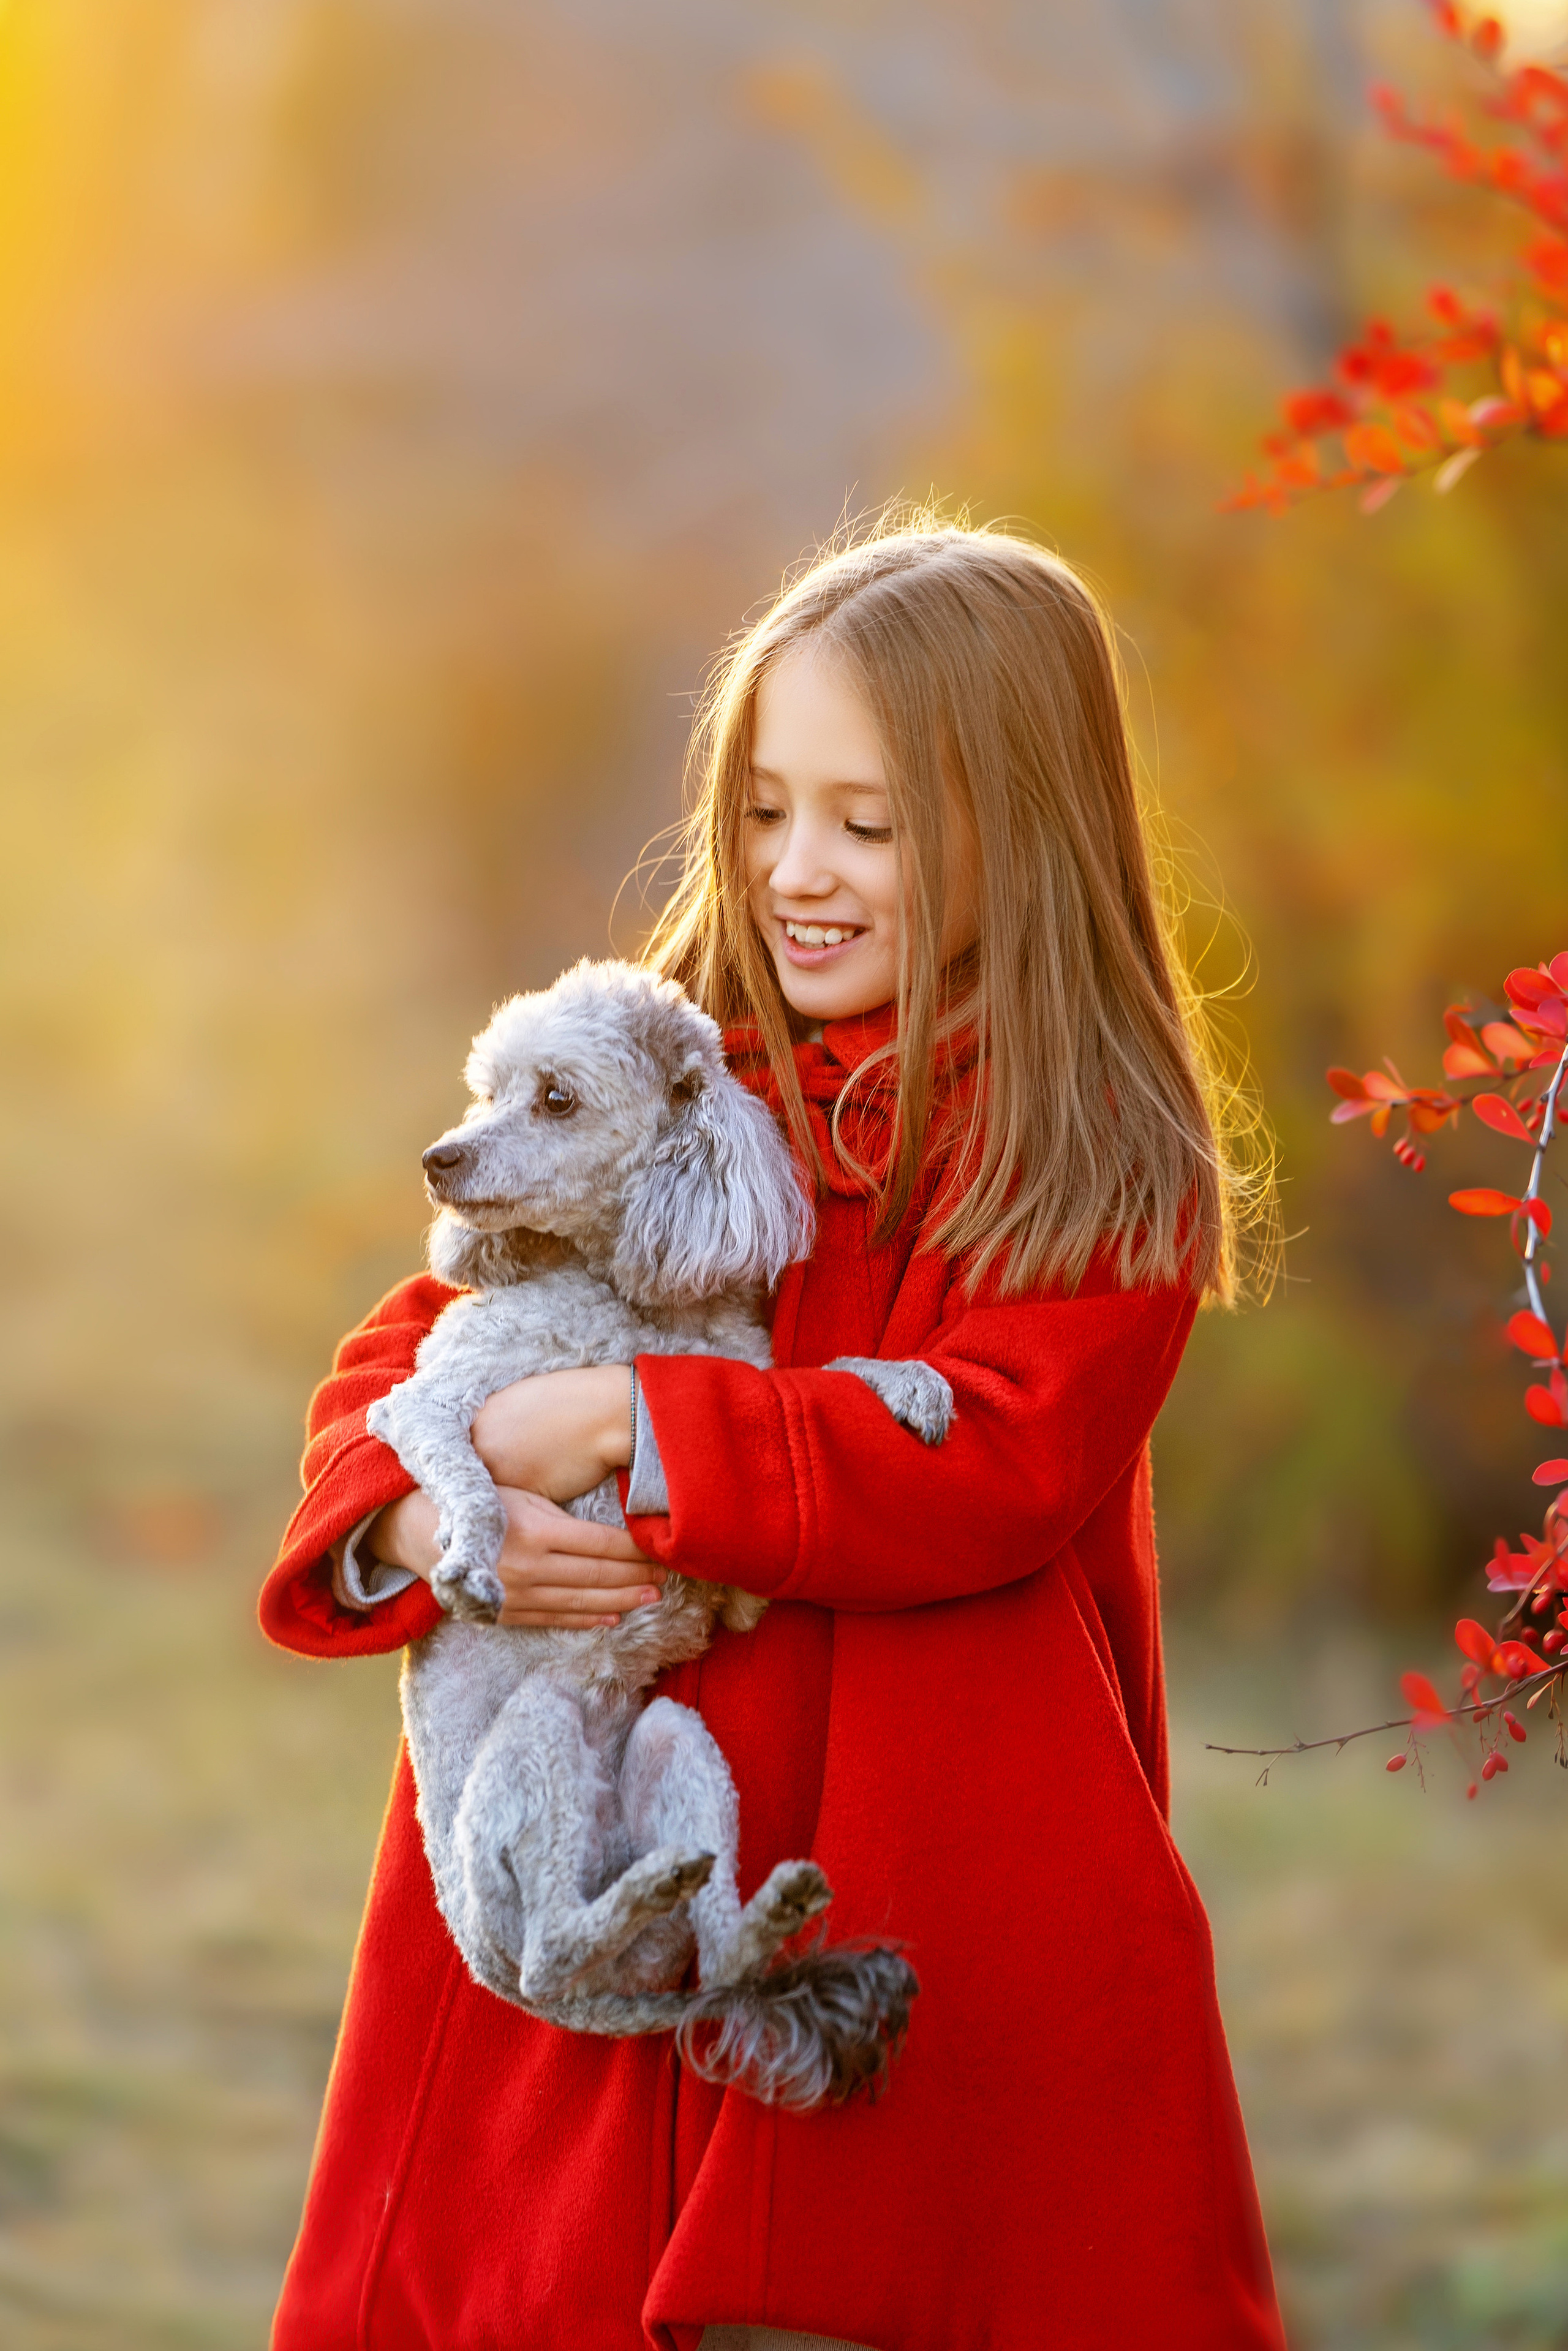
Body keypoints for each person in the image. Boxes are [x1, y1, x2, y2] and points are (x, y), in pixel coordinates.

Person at [260, 516, 1286, 2351]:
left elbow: (987, 1456)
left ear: (1021, 832)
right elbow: (411, 1354)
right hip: (604, 1840)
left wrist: (638, 1421)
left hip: (921, 1864)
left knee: (891, 2288)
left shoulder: (1095, 1161)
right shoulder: (670, 1072)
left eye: (869, 825)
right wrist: (416, 1523)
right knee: (544, 2284)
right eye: (763, 811)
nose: (800, 872)